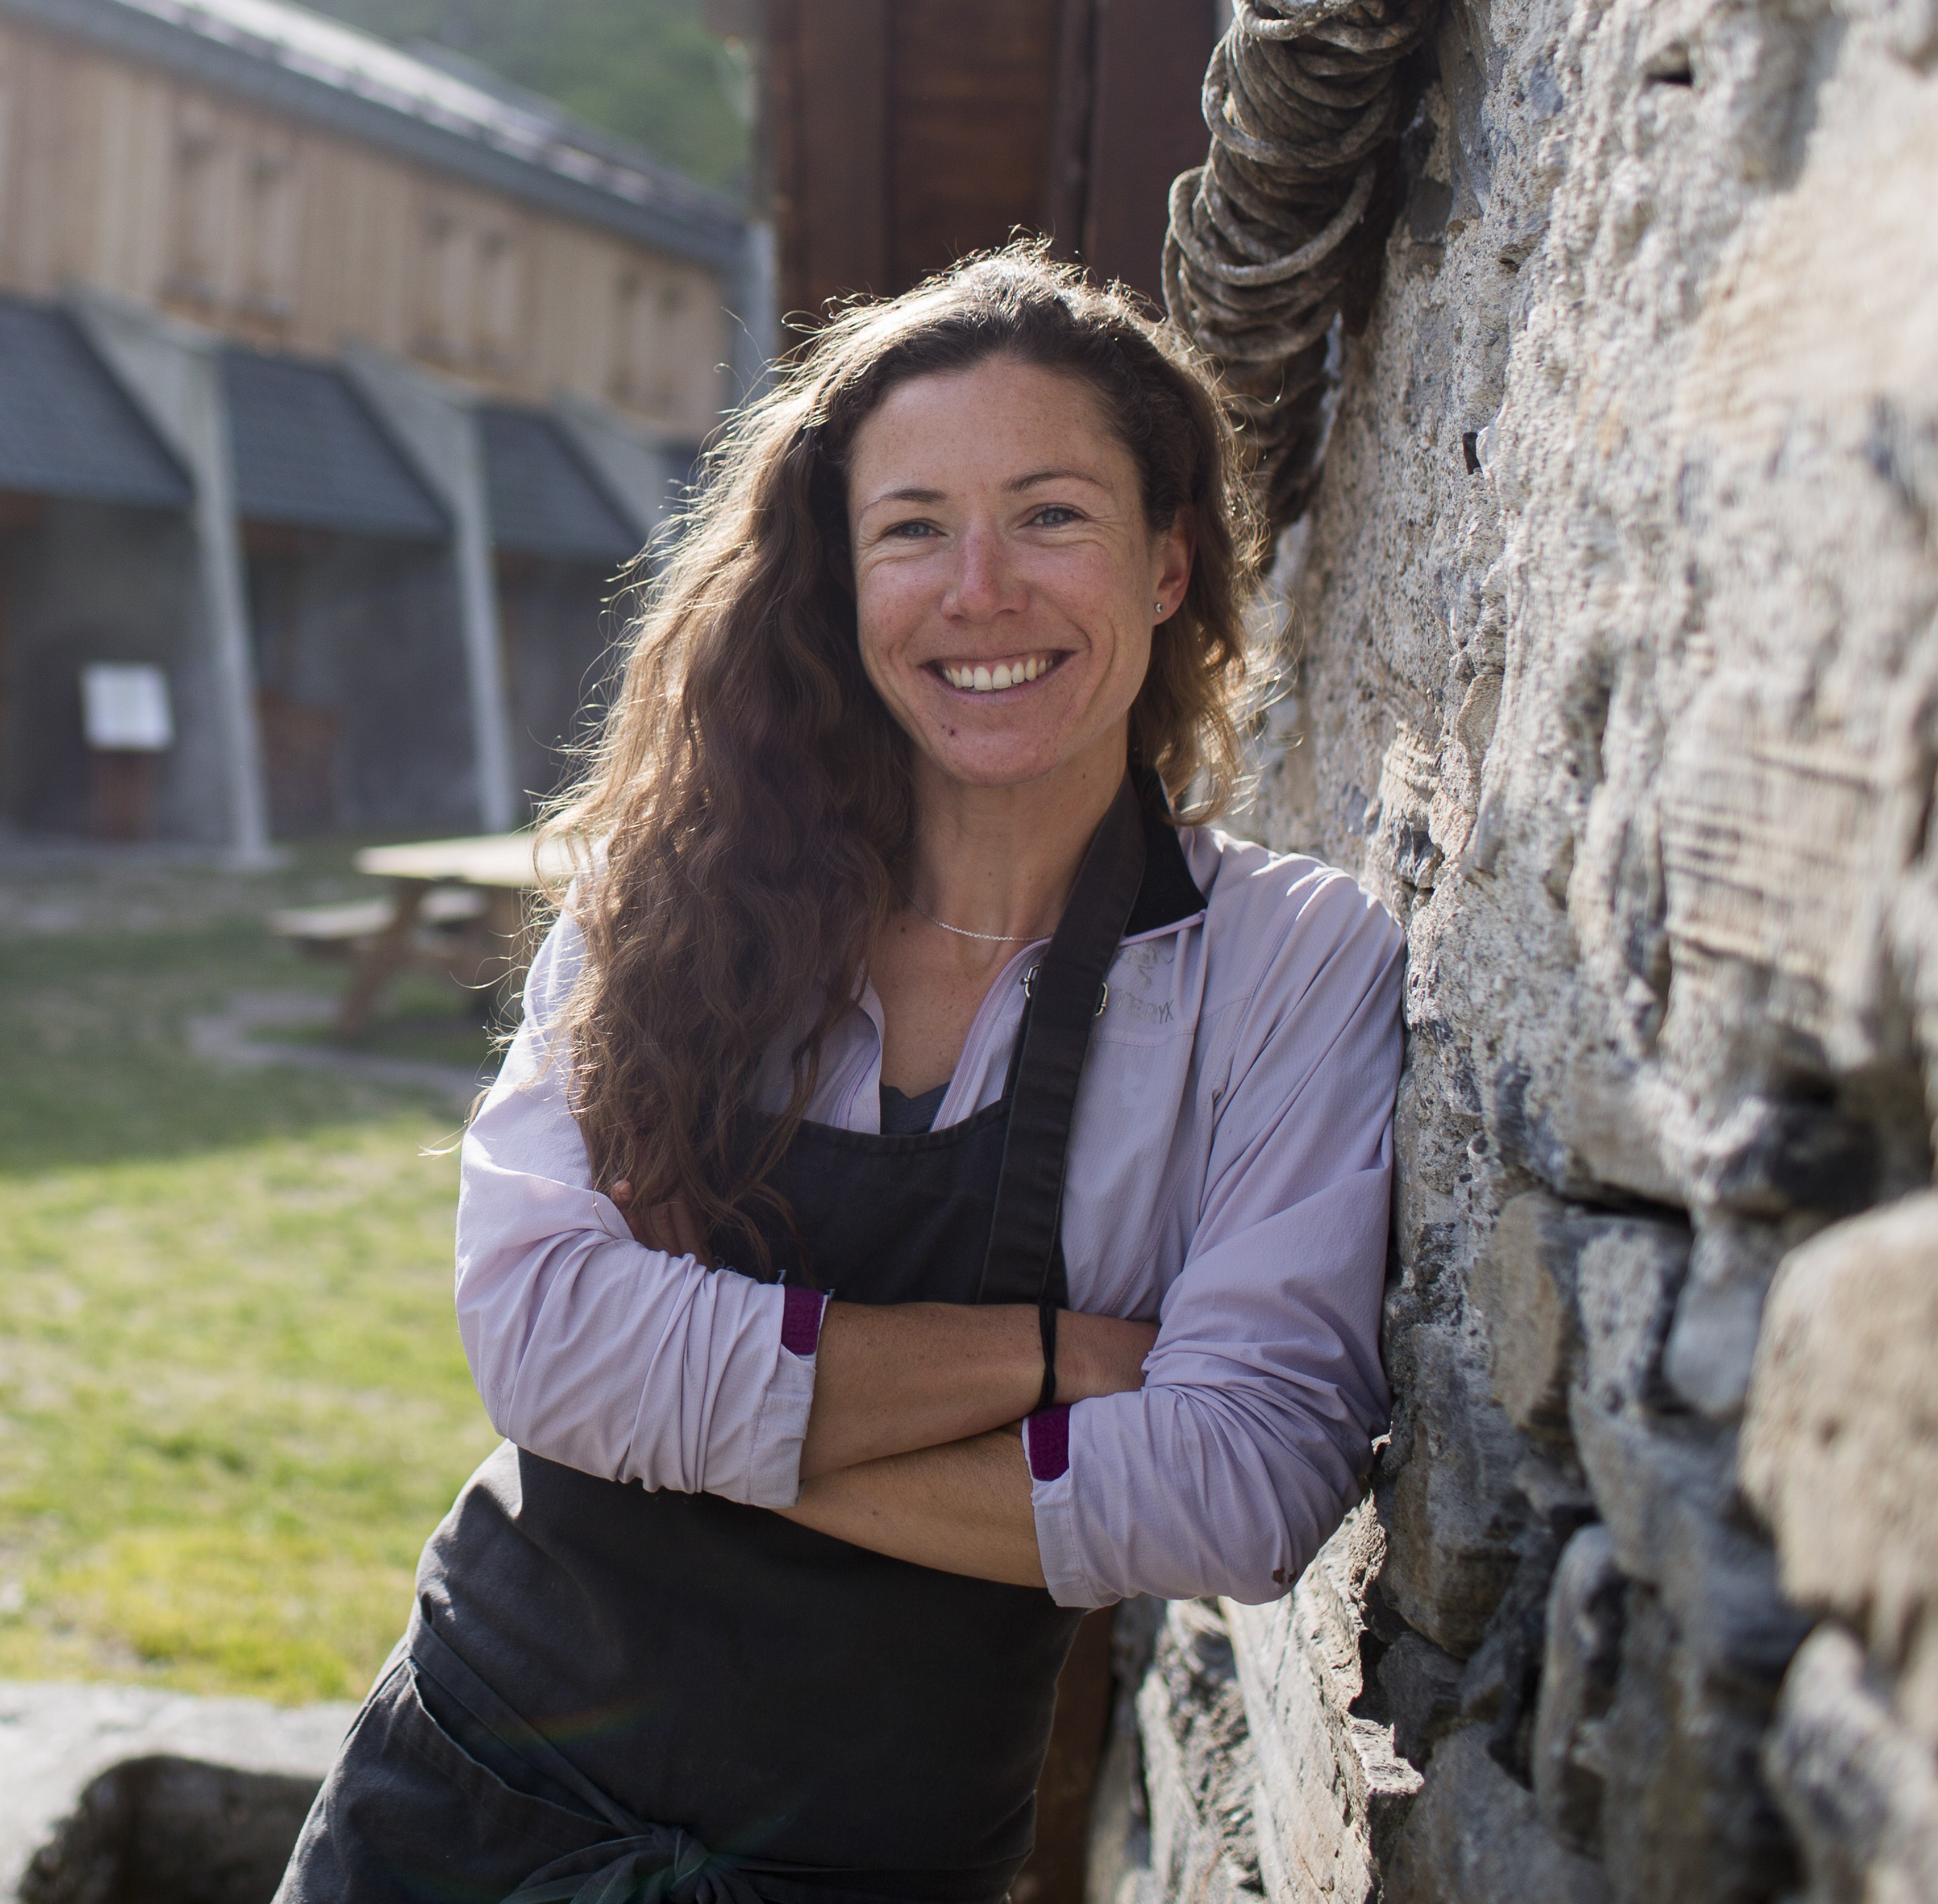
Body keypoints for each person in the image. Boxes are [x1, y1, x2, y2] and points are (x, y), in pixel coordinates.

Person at [276, 247, 1401, 1904]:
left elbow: (1240, 1487)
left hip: (866, 1863)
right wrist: (1046, 1355)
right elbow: (540, 1345)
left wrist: (686, 1432)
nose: (979, 588)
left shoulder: (1286, 967)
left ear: (1169, 567)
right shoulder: (667, 898)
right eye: (911, 529)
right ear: (842, 583)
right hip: (468, 1795)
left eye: (1051, 516)